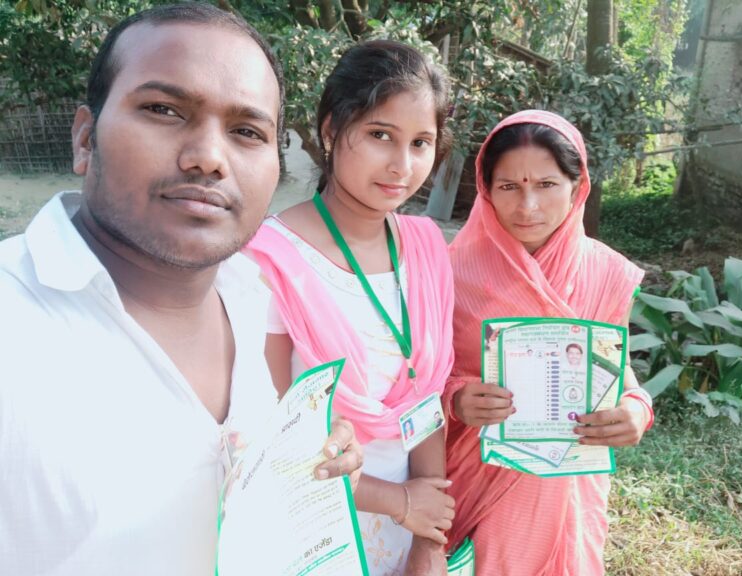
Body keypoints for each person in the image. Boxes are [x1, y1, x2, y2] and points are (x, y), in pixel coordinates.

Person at [0, 5, 363, 575]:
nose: (209, 158)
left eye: (247, 131)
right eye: (164, 110)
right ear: (85, 139)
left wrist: (298, 466)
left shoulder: (248, 296)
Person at [246, 40, 456, 575]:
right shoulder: (270, 261)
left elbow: (425, 401)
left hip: (407, 530)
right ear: (331, 130)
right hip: (310, 535)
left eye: (421, 142)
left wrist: (428, 540)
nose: (402, 166)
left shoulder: (427, 248)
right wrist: (400, 502)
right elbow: (268, 434)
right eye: (380, 135)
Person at [443, 110, 655, 575]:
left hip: (572, 482)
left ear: (578, 188)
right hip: (481, 477)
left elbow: (616, 369)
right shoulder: (451, 272)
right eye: (509, 187)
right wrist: (457, 396)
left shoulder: (607, 272)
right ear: (485, 188)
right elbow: (422, 374)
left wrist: (637, 408)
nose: (527, 207)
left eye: (546, 185)